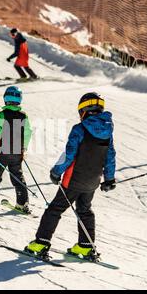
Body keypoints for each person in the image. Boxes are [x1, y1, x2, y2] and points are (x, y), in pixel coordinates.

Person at [25, 92, 116, 258]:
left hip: (73, 180)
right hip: (92, 182)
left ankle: (41, 243)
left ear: (84, 111)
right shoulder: (108, 131)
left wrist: (56, 172)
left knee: (54, 209)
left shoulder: (79, 129)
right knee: (85, 210)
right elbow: (110, 156)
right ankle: (86, 245)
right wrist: (109, 179)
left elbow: (69, 155)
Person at [0, 86, 33, 213]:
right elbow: (28, 133)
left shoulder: (2, 114)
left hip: (3, 152)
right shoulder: (23, 116)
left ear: (5, 98)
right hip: (17, 152)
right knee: (17, 176)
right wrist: (23, 148)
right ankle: (22, 203)